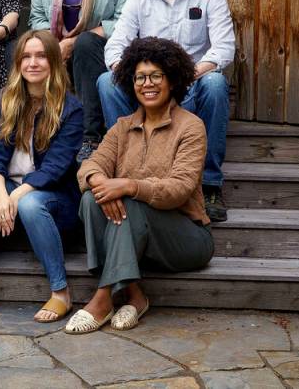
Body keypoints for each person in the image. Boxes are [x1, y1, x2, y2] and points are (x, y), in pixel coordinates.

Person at [65, 37, 213, 334]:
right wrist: (99, 182)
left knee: (128, 204)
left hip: (184, 238)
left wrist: (130, 186)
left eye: (156, 75)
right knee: (92, 198)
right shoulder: (122, 126)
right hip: (134, 238)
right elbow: (90, 166)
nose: (148, 83)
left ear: (172, 80)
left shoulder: (191, 126)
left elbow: (179, 188)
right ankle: (134, 295)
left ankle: (103, 297)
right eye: (140, 77)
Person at [98, 0, 235, 222]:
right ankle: (125, 164)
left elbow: (223, 49)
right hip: (147, 88)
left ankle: (210, 184)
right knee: (107, 81)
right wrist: (133, 76)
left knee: (215, 84)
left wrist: (187, 75)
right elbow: (116, 45)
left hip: (192, 84)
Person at [0, 30, 83, 323]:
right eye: (26, 56)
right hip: (11, 186)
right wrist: (1, 194)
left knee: (28, 203)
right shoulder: (7, 98)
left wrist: (14, 196)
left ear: (53, 61)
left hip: (54, 198)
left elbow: (55, 168)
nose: (33, 63)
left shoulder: (70, 108)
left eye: (40, 56)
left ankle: (60, 291)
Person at [29, 0, 140, 163]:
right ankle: (28, 130)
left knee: (86, 44)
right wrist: (55, 45)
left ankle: (90, 137)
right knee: (24, 50)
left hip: (98, 50)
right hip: (55, 44)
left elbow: (127, 20)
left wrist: (76, 40)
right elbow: (37, 15)